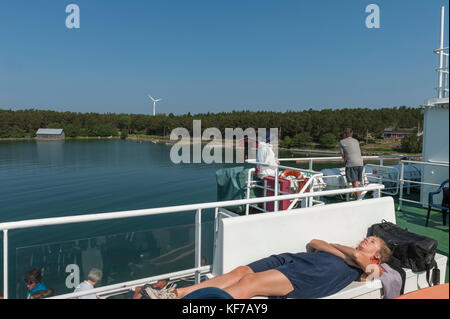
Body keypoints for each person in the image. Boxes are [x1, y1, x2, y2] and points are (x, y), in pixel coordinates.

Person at [143, 236, 393, 299]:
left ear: (378, 256)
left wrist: (356, 258)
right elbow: (316, 242)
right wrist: (347, 252)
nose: (364, 240)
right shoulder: (348, 251)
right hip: (291, 259)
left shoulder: (375, 268)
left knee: (249, 285)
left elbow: (365, 267)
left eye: (371, 242)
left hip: (311, 275)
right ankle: (176, 294)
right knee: (240, 272)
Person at [339, 128, 364, 198]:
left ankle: (360, 200)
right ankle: (360, 196)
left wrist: (345, 161)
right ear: (352, 134)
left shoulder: (342, 142)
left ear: (345, 134)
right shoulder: (356, 141)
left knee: (354, 183)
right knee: (357, 183)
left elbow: (343, 154)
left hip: (351, 164)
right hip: (360, 163)